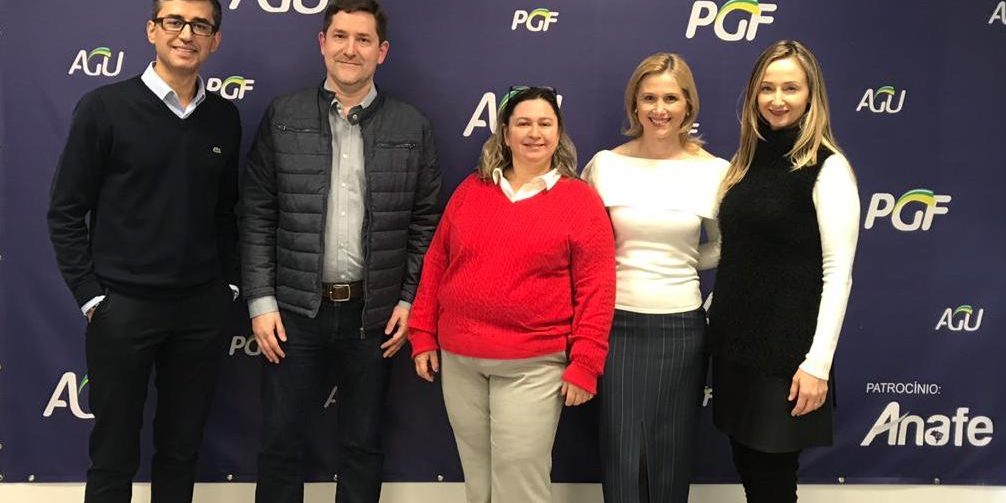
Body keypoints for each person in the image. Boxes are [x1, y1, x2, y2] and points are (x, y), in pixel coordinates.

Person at [239, 0, 441, 501]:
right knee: (281, 444)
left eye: (364, 39)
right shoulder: (283, 117)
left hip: (374, 315)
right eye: (341, 36)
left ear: (382, 51)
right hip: (293, 312)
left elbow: (425, 222)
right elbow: (257, 213)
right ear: (322, 43)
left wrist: (410, 299)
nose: (351, 49)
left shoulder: (411, 126)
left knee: (362, 445)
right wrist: (260, 301)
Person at [46, 0, 240, 501]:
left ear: (215, 39)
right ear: (153, 30)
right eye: (174, 21)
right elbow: (65, 211)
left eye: (200, 25)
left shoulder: (224, 117)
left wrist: (228, 287)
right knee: (113, 457)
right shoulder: (103, 108)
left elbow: (226, 212)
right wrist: (92, 298)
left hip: (200, 310)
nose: (186, 34)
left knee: (181, 450)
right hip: (123, 308)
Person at [408, 86, 615, 503]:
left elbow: (597, 287)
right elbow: (437, 262)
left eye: (544, 123)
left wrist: (586, 362)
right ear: (505, 133)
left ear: (558, 133)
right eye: (523, 123)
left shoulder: (580, 201)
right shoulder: (472, 190)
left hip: (533, 364)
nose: (534, 133)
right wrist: (422, 332)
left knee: (519, 483)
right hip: (461, 361)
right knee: (479, 482)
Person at [708, 40, 860, 503]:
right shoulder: (746, 164)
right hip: (735, 349)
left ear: (811, 95)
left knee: (772, 484)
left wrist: (817, 364)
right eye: (767, 88)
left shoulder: (829, 168)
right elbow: (733, 249)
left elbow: (838, 273)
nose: (777, 99)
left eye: (791, 88)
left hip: (787, 359)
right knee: (751, 473)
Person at [582, 53, 728, 503]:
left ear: (688, 105)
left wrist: (679, 260)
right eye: (649, 98)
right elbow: (587, 245)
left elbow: (724, 246)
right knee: (621, 453)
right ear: (634, 104)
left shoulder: (714, 171)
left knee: (671, 454)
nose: (659, 109)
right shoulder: (605, 166)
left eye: (670, 98)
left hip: (681, 327)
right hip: (616, 324)